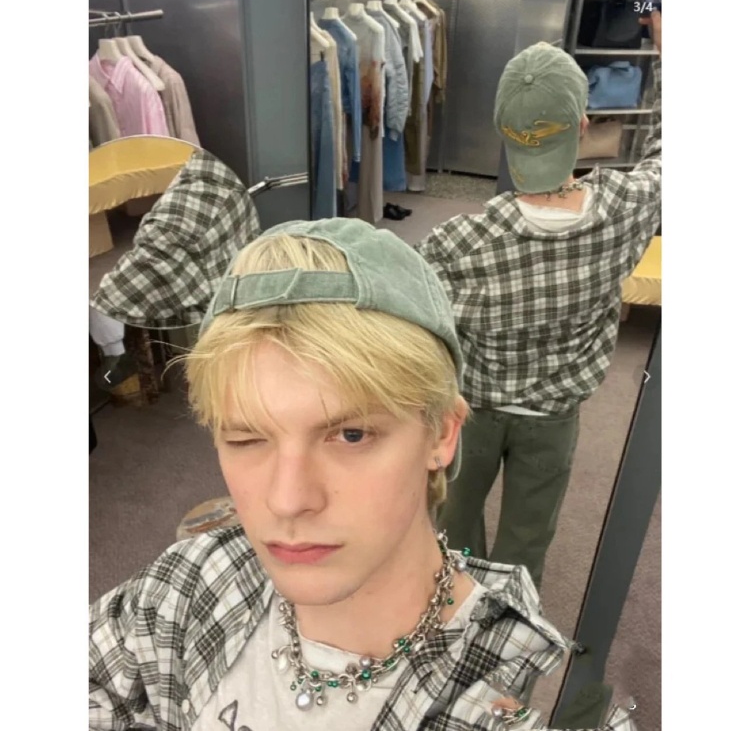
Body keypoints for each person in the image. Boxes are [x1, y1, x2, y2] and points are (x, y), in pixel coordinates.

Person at [89, 218, 636, 730]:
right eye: (246, 438)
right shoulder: (188, 581)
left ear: (442, 434)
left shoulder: (511, 709)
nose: (287, 500)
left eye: (351, 435)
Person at [415, 13, 662, 589]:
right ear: (583, 124)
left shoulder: (457, 243)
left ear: (502, 131)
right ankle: (514, 626)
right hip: (555, 419)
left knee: (453, 528)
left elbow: (414, 320)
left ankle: (458, 610)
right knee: (529, 539)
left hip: (471, 411)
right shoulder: (627, 208)